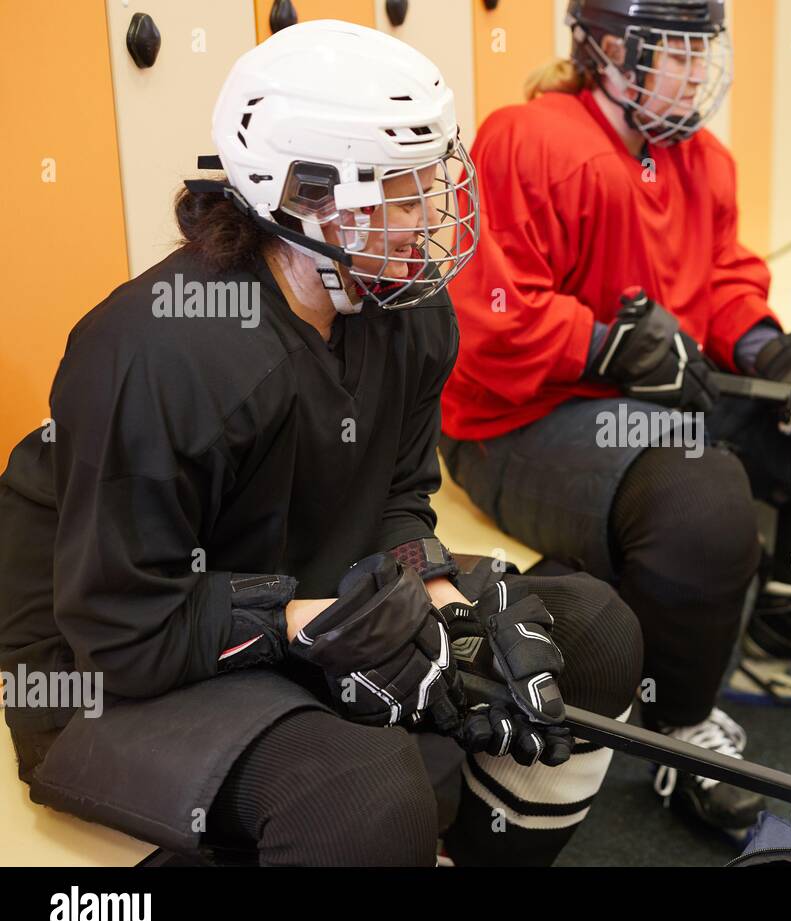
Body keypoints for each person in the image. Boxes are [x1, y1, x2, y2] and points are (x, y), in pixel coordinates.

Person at [0, 20, 642, 867]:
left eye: (432, 181)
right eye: (402, 192)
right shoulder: (159, 353)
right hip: (104, 663)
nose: (432, 220)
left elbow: (397, 502)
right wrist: (312, 626)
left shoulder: (407, 309)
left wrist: (450, 603)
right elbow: (120, 629)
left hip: (296, 583)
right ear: (301, 194)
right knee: (359, 798)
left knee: (590, 632)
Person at [439, 0, 791, 837]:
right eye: (679, 52)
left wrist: (771, 351)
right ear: (610, 50)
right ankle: (678, 726)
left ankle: (784, 631)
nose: (699, 73)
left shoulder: (701, 160)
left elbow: (726, 277)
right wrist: (603, 348)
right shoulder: (530, 139)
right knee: (705, 496)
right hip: (522, 420)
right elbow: (489, 320)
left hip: (664, 398)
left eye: (705, 52)